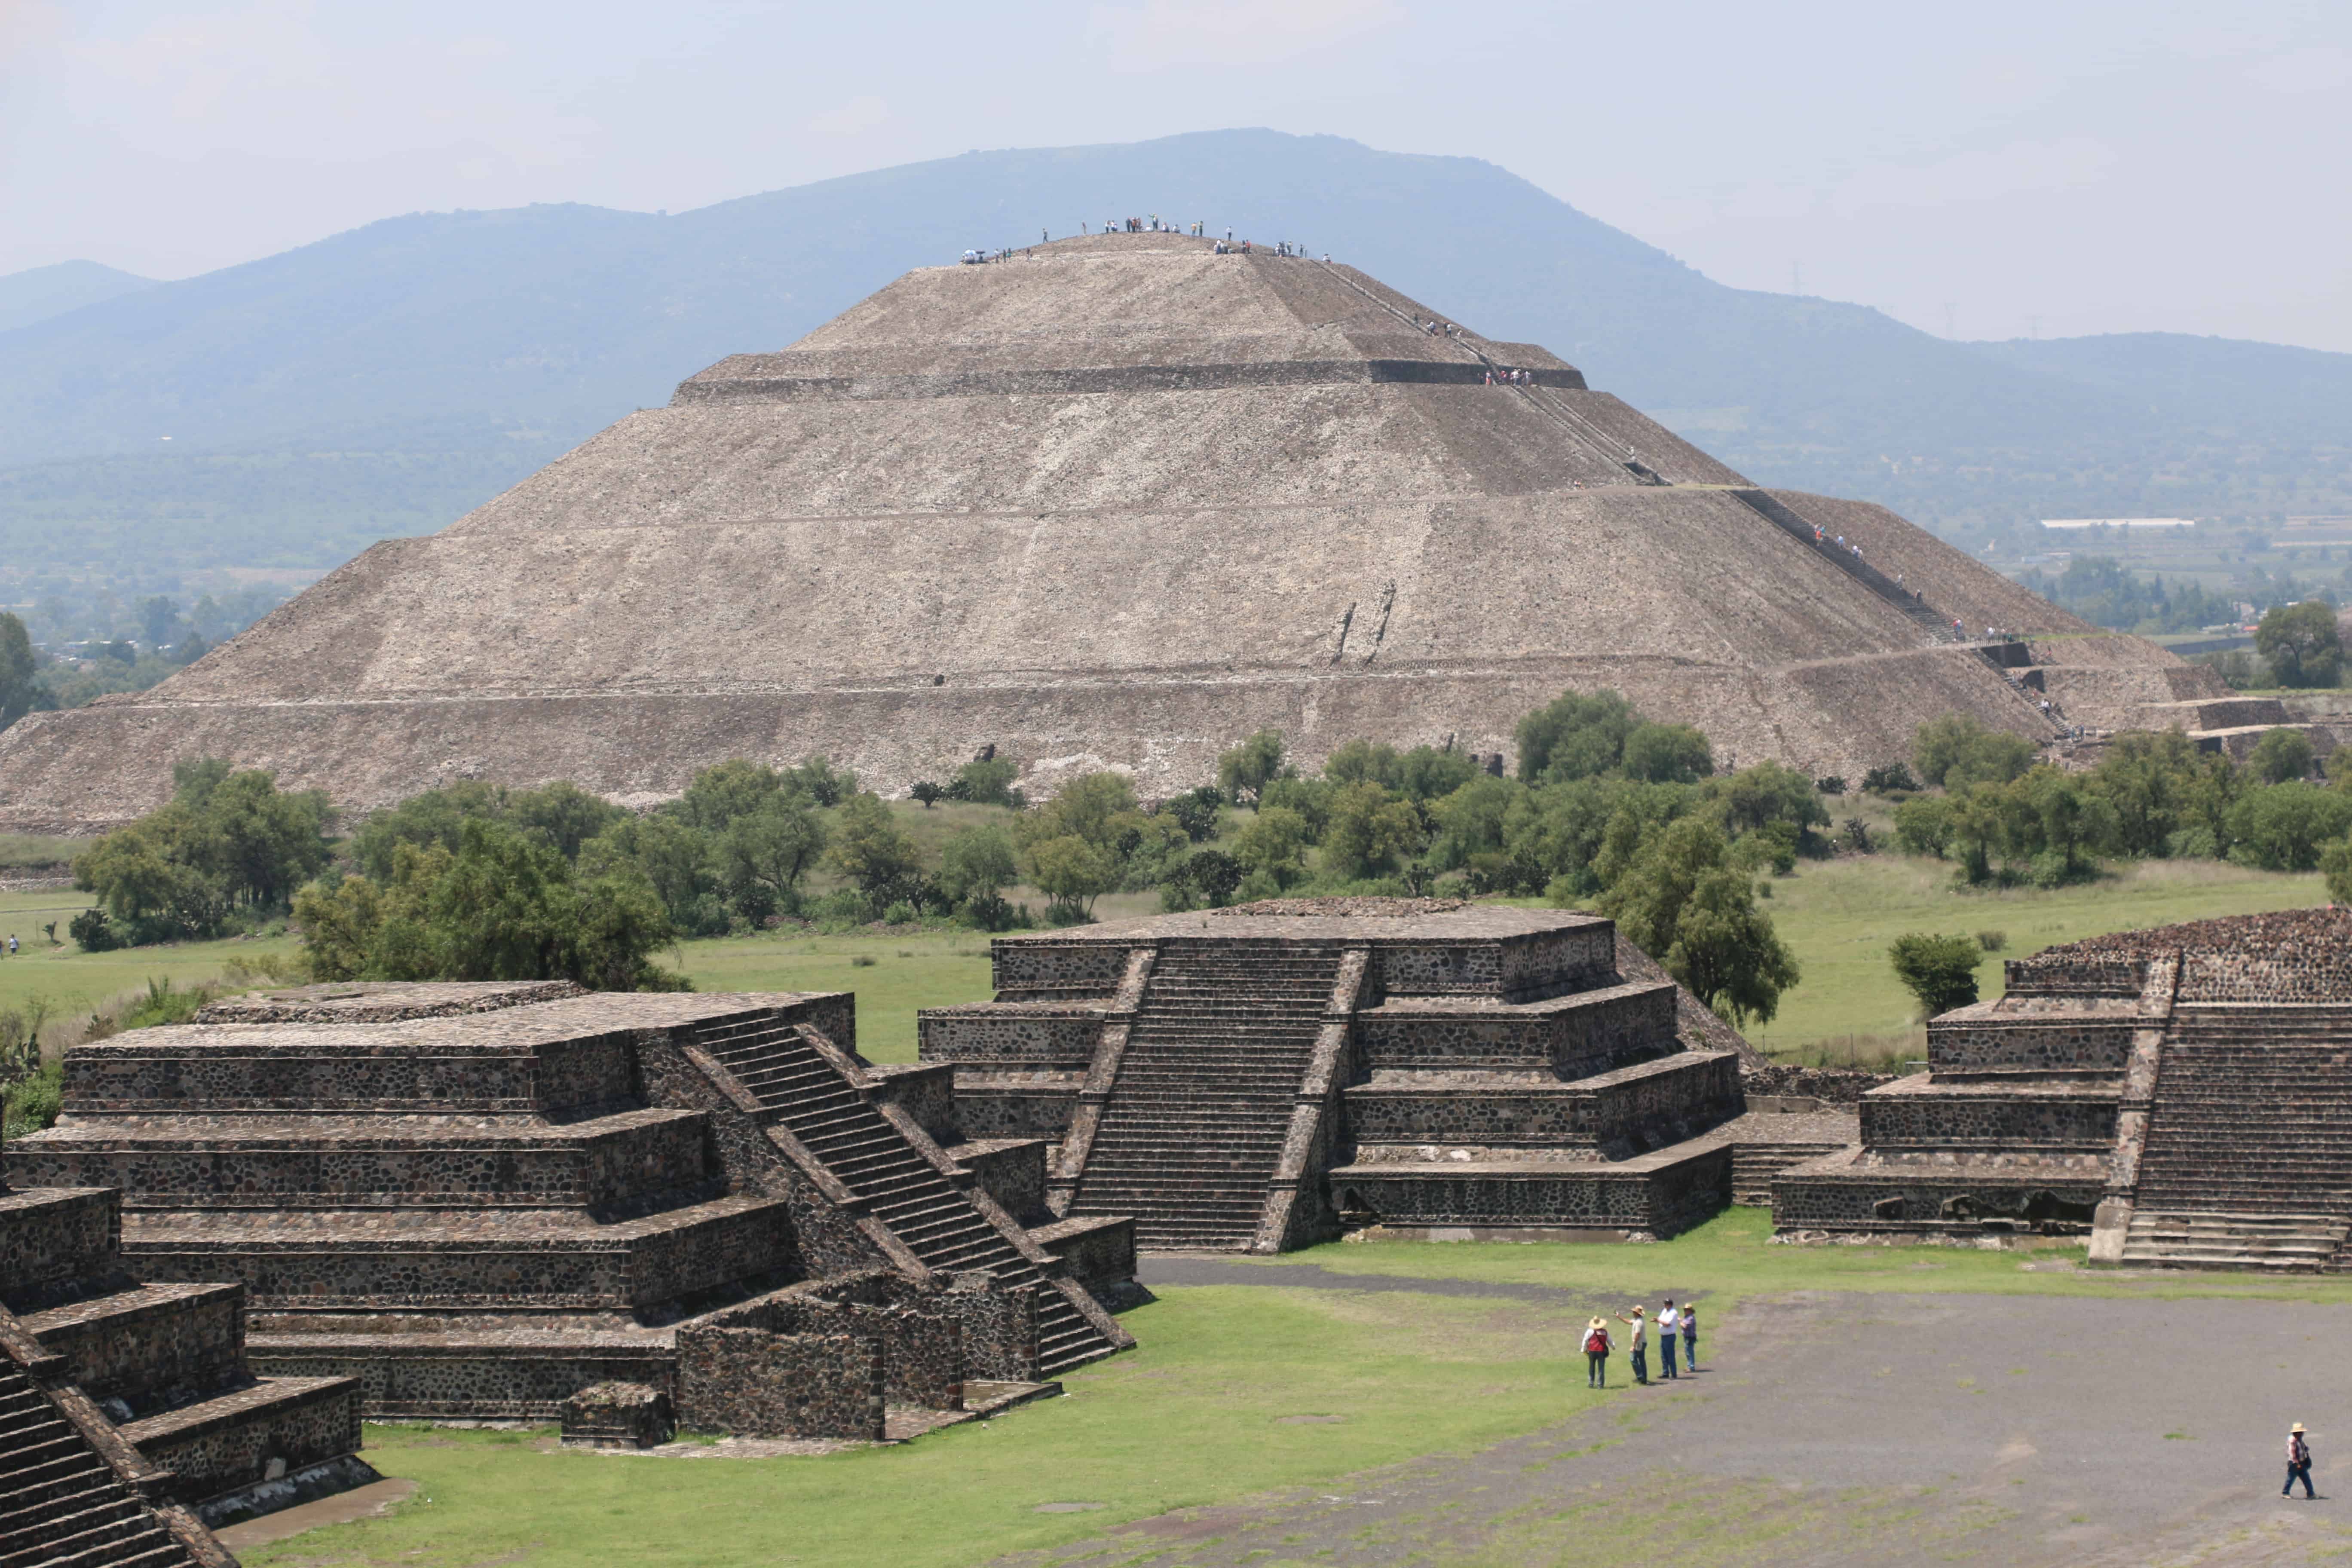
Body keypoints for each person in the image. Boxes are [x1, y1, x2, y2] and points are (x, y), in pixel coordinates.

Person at [1617, 1306, 1649, 1385]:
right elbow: (1629, 1322)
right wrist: (1619, 1317)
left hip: (1639, 1344)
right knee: (1642, 1361)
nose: (1633, 1313)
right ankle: (1644, 1379)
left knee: (1633, 1359)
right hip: (1642, 1343)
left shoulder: (1639, 1323)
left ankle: (1641, 1377)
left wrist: (1633, 1346)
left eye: (1634, 1312)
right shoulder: (1637, 1320)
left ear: (1637, 1314)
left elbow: (1637, 1334)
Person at [2288, 1425, 2316, 1497]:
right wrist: (2297, 1463)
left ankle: (2311, 1494)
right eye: (2301, 1432)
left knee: (2306, 1479)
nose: (2303, 1434)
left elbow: (2303, 1449)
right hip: (2295, 1464)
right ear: (2297, 1433)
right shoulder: (2293, 1441)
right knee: (2291, 1479)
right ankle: (2285, 1493)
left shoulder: (2300, 1440)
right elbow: (2292, 1453)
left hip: (2302, 1463)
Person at [1583, 1317, 1611, 1388]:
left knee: (1591, 1367)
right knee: (1601, 1368)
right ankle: (1600, 1385)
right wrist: (1613, 1346)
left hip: (1592, 1351)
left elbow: (1585, 1340)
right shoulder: (1605, 1332)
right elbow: (1610, 1340)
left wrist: (1584, 1349)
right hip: (1601, 1351)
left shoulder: (1589, 1331)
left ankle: (1591, 1383)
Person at [1657, 1299, 1680, 1378]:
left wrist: (1658, 1321)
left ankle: (1674, 1374)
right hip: (1663, 1336)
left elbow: (1668, 1324)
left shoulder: (1673, 1313)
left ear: (1670, 1305)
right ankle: (1666, 1373)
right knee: (1663, 1356)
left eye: (1666, 1304)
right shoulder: (1664, 1311)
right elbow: (1661, 1320)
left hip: (1670, 1336)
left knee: (1670, 1355)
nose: (1664, 1305)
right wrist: (1658, 1321)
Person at [1680, 1302, 1698, 1371]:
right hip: (1687, 1337)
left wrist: (1680, 1322)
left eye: (1686, 1310)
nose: (1685, 1311)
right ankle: (1689, 1366)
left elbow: (1685, 1326)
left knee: (1690, 1352)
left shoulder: (1691, 1318)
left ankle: (1691, 1367)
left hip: (1690, 1338)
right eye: (1685, 1310)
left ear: (1690, 1311)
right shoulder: (1687, 1317)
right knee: (1688, 1352)